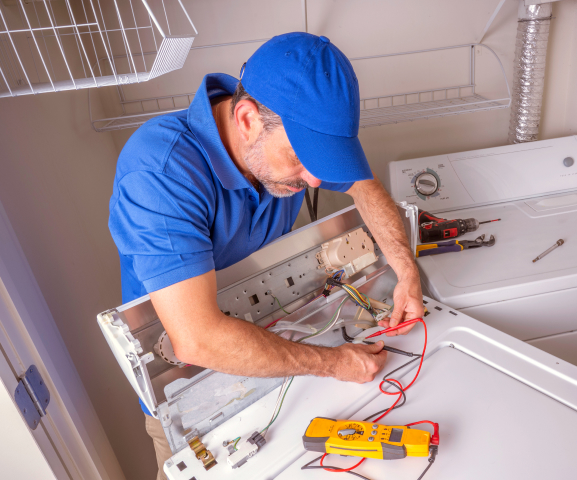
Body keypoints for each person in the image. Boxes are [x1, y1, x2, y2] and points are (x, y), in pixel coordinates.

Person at [108, 32, 423, 480]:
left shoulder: (281, 148)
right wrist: (334, 363)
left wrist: (405, 269)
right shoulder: (160, 172)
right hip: (195, 393)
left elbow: (361, 185)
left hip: (277, 353)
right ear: (248, 118)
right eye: (300, 158)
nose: (314, 180)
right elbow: (196, 340)